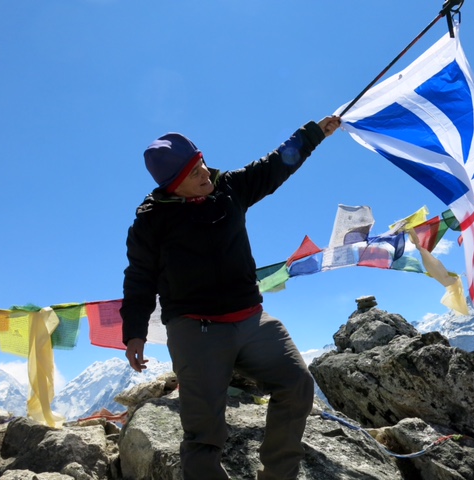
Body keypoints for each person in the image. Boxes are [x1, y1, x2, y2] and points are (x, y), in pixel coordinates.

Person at [120, 115, 341, 480]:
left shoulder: (230, 189)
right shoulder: (150, 222)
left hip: (251, 319)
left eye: (202, 163)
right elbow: (139, 280)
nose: (205, 173)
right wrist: (134, 333)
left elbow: (274, 166)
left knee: (296, 384)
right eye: (193, 173)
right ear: (173, 185)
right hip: (194, 328)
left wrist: (314, 133)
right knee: (203, 433)